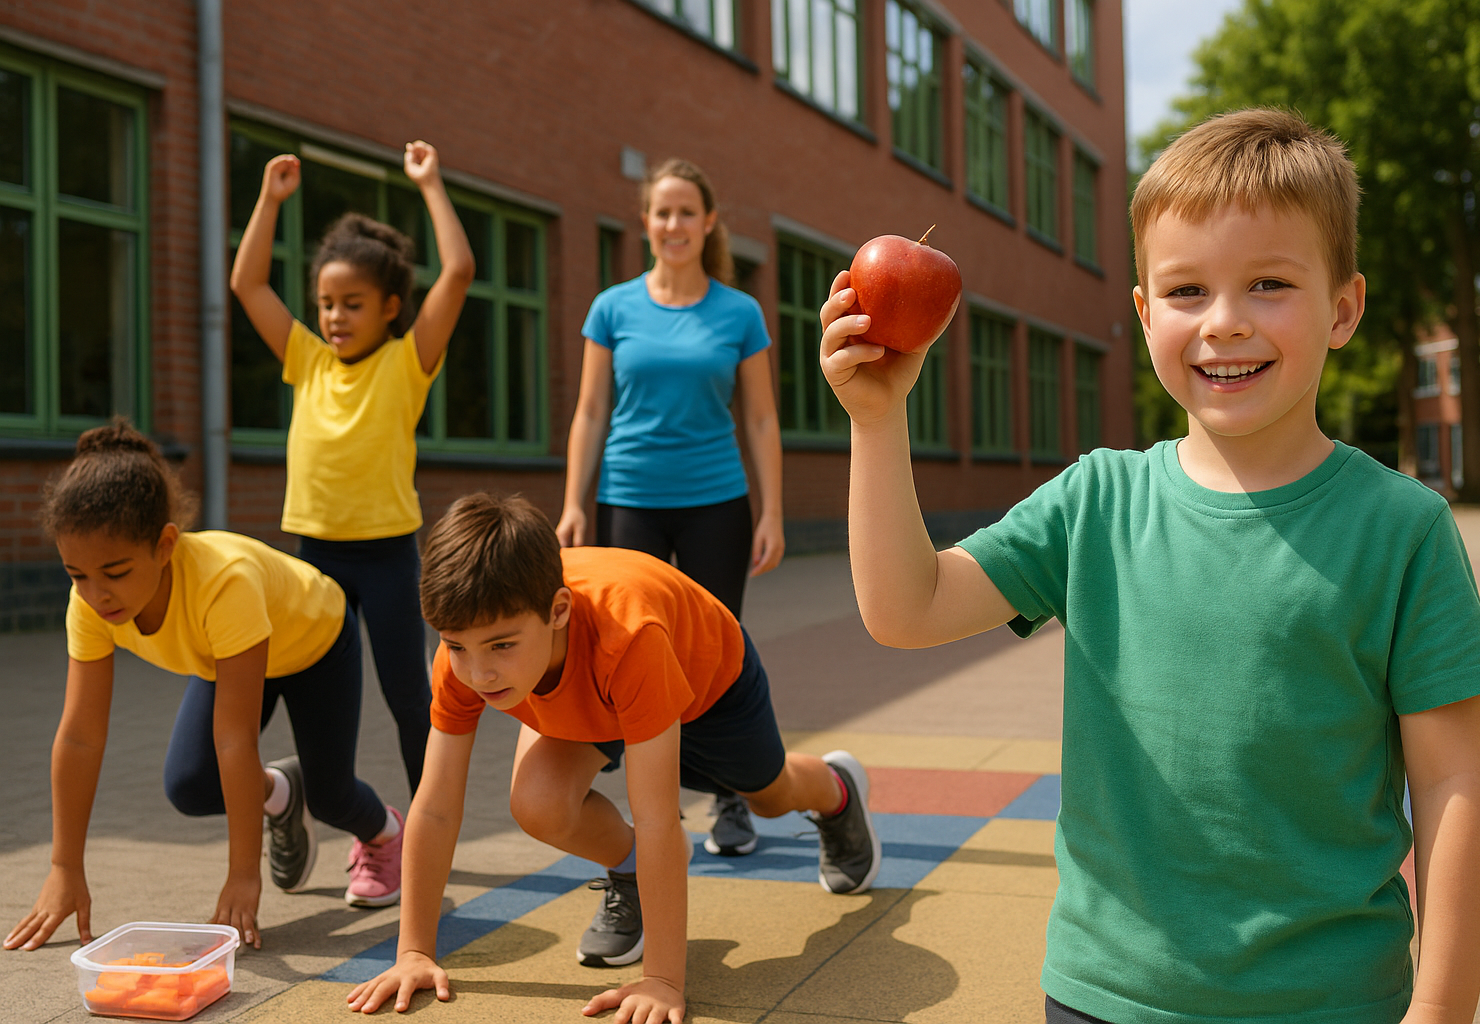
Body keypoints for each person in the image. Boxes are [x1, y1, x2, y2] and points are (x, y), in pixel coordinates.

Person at [819, 108, 1480, 1024]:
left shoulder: (1403, 529)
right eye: (1187, 291)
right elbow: (907, 609)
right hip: (1105, 993)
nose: (1224, 323)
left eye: (1269, 284)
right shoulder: (1096, 501)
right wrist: (877, 423)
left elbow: (1454, 784)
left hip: (1332, 1000)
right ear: (1145, 315)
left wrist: (1442, 1010)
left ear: (1343, 309)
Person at [344, 493, 879, 1023]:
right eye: (457, 646)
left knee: (770, 797)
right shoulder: (465, 653)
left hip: (708, 684)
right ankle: (630, 873)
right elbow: (435, 807)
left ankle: (837, 790)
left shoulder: (629, 637)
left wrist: (662, 981)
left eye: (502, 646)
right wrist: (414, 951)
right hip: (594, 693)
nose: (479, 673)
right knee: (539, 803)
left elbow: (658, 818)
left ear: (557, 611)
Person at [3, 420, 406, 955]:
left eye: (116, 573)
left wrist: (243, 876)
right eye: (77, 574)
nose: (97, 594)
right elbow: (79, 737)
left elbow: (234, 739)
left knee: (332, 797)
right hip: (230, 655)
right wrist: (63, 866)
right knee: (191, 784)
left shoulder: (224, 582)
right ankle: (281, 793)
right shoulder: (89, 606)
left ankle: (386, 832)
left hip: (316, 642)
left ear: (165, 545)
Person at [229, 140, 474, 796]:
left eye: (353, 303)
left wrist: (430, 183)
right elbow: (247, 284)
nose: (335, 316)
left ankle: (431, 827)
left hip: (388, 558)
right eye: (326, 303)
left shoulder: (407, 362)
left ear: (390, 306)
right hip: (315, 559)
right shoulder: (307, 360)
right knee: (306, 698)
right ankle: (320, 803)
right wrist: (269, 200)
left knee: (409, 700)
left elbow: (458, 271)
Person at [556, 158, 784, 859]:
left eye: (687, 211)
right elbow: (590, 410)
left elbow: (761, 418)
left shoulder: (739, 312)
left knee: (713, 652)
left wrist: (773, 511)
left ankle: (729, 798)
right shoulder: (612, 308)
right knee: (626, 650)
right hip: (629, 500)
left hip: (717, 501)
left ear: (708, 222)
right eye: (663, 212)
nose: (674, 224)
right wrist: (572, 503)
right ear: (645, 221)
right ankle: (652, 809)